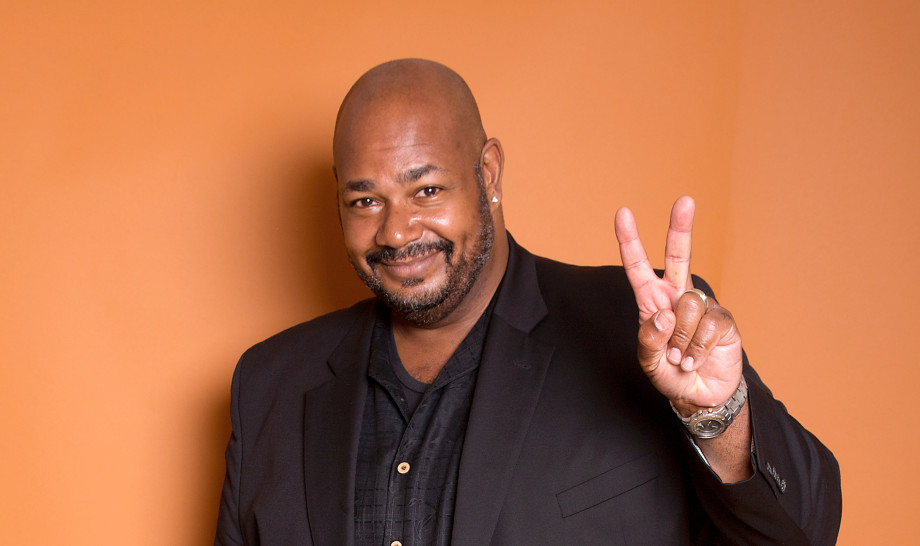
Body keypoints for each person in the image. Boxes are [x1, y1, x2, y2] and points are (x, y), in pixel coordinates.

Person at [215, 59, 841, 545]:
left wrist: (720, 418)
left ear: (488, 174)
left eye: (426, 188)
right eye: (364, 201)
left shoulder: (643, 328)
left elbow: (799, 534)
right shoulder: (269, 383)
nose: (397, 232)